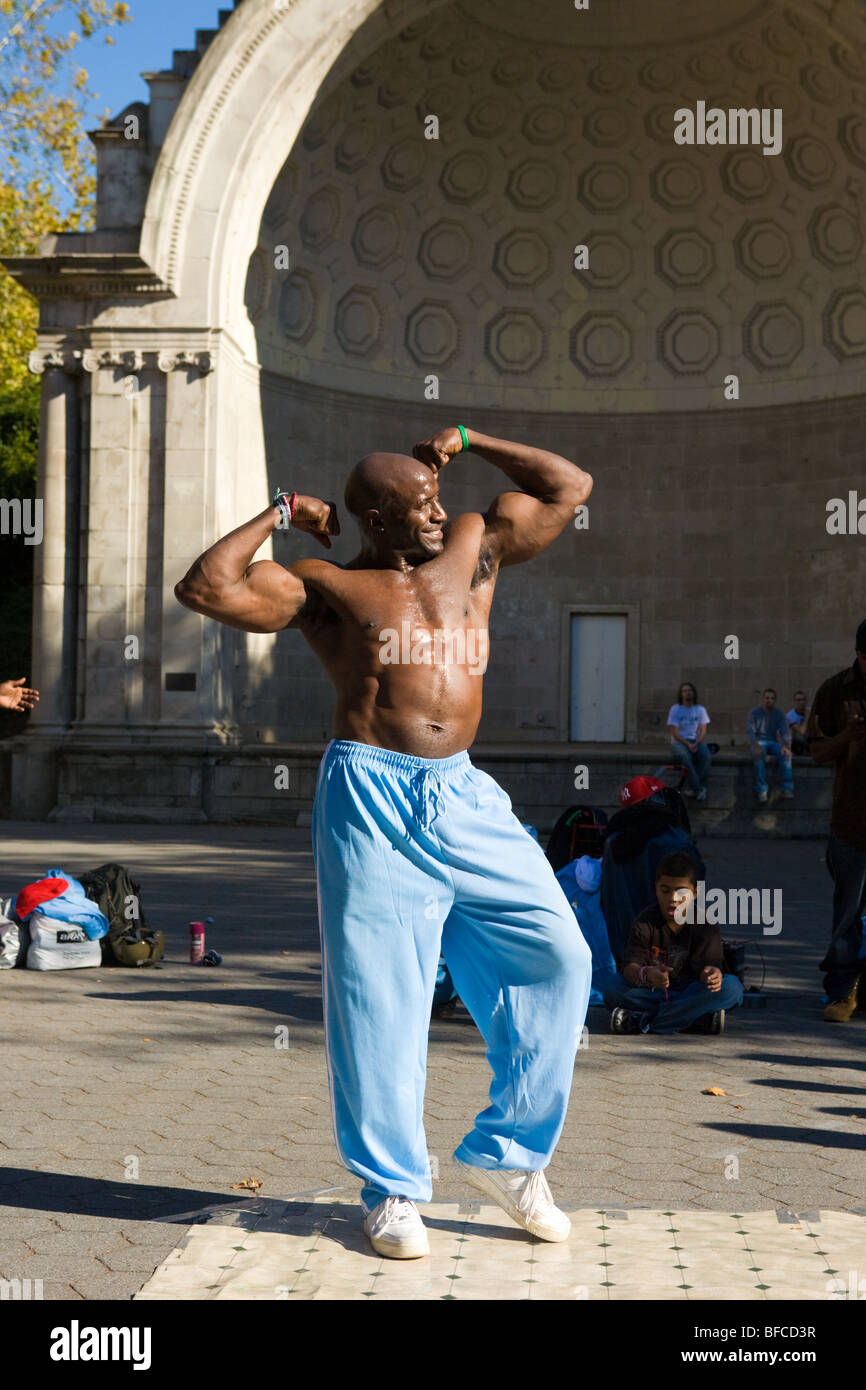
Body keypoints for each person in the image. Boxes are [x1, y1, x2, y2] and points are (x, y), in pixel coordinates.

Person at [175, 425, 593, 1258]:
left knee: (560, 956)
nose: (439, 512)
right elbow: (206, 588)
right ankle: (393, 1188)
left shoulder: (475, 544)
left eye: (438, 497)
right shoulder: (327, 583)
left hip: (465, 792)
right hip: (370, 792)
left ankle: (509, 1158)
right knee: (381, 998)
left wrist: (471, 440)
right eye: (419, 504)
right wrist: (284, 512)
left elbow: (568, 488)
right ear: (374, 516)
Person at [603, 852, 743, 1035]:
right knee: (612, 987)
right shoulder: (645, 922)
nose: (673, 899)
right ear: (656, 889)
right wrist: (645, 974)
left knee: (732, 987)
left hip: (691, 993)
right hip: (653, 993)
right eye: (665, 890)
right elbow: (630, 968)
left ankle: (646, 1022)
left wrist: (712, 975)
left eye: (681, 892)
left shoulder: (705, 923)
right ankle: (693, 1020)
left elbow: (710, 970)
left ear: (695, 893)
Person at [807, 619, 866, 1023]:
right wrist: (847, 736)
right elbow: (816, 752)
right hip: (852, 823)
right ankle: (842, 991)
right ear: (862, 656)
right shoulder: (834, 691)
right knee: (849, 911)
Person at [667, 681, 711, 801]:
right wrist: (688, 744)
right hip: (680, 741)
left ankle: (694, 788)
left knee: (706, 756)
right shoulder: (675, 709)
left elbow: (703, 730)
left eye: (690, 691)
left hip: (696, 740)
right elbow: (674, 732)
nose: (687, 693)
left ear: (694, 693)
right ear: (681, 694)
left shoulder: (700, 709)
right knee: (684, 757)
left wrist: (696, 743)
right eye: (685, 691)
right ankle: (699, 788)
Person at [748, 688, 793, 802]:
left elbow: (784, 731)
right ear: (763, 699)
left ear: (775, 700)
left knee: (785, 754)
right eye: (767, 698)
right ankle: (762, 790)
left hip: (772, 742)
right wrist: (755, 745)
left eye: (772, 698)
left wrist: (786, 746)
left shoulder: (779, 714)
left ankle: (787, 788)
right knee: (759, 755)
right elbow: (750, 731)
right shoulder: (754, 713)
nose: (769, 700)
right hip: (759, 741)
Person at [786, 690, 810, 756]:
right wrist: (806, 717)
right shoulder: (790, 715)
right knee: (799, 737)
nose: (802, 702)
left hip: (809, 740)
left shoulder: (811, 711)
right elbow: (802, 731)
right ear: (794, 702)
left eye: (804, 699)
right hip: (797, 742)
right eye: (799, 700)